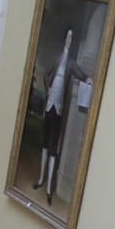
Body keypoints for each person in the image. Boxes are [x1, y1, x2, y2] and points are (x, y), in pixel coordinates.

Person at [34, 29, 89, 204]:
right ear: (64, 39)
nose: (69, 40)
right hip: (49, 104)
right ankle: (41, 179)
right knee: (44, 141)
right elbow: (47, 74)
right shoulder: (57, 58)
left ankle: (49, 187)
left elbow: (80, 74)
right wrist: (48, 88)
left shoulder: (71, 63)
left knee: (52, 146)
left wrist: (88, 79)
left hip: (59, 108)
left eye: (72, 38)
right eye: (67, 37)